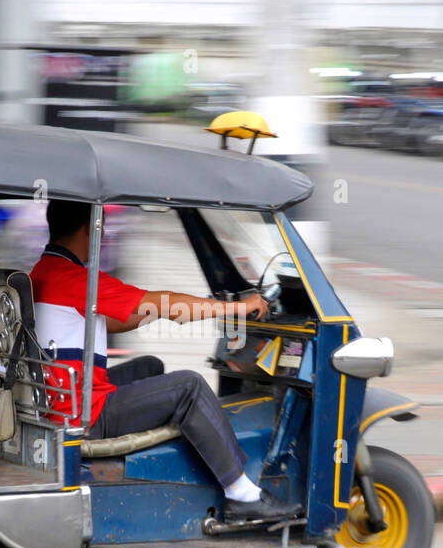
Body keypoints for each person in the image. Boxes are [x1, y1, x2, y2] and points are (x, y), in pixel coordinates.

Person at [29, 200, 300, 523]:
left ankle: (175, 458)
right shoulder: (76, 281)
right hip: (85, 415)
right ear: (91, 228)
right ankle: (241, 493)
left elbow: (110, 321)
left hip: (63, 401)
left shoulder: (43, 272)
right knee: (190, 387)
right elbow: (162, 303)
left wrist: (160, 311)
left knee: (150, 366)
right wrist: (236, 308)